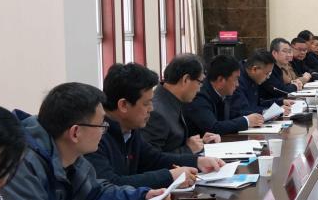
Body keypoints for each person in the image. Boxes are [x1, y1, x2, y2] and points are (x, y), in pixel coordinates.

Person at [4, 83, 172, 200]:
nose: (104, 131)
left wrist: (143, 196)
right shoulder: (22, 164)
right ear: (75, 132)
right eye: (101, 125)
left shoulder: (71, 155)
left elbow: (96, 193)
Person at [88, 63, 222, 189]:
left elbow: (154, 159)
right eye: (146, 103)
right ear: (123, 105)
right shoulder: (94, 135)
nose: (151, 109)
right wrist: (169, 176)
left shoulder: (129, 129)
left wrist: (197, 161)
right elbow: (111, 184)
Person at [142, 54, 219, 155]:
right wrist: (188, 149)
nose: (199, 89)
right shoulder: (156, 112)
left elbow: (172, 143)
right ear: (186, 79)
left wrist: (201, 143)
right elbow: (151, 159)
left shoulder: (172, 99)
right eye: (199, 83)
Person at [184, 55, 264, 136]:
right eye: (236, 79)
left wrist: (256, 117)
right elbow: (213, 128)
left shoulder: (225, 93)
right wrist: (246, 121)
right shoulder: (199, 95)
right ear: (221, 80)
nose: (237, 84)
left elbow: (234, 114)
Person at [231, 49, 275, 116]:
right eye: (267, 73)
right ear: (254, 69)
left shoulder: (253, 76)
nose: (268, 77)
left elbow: (257, 103)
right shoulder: (237, 79)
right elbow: (242, 110)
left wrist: (280, 102)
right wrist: (267, 112)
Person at [263, 37, 305, 104]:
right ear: (274, 53)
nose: (289, 55)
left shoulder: (278, 68)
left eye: (289, 51)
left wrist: (293, 83)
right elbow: (280, 91)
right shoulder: (269, 68)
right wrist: (295, 85)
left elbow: (282, 87)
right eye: (285, 51)